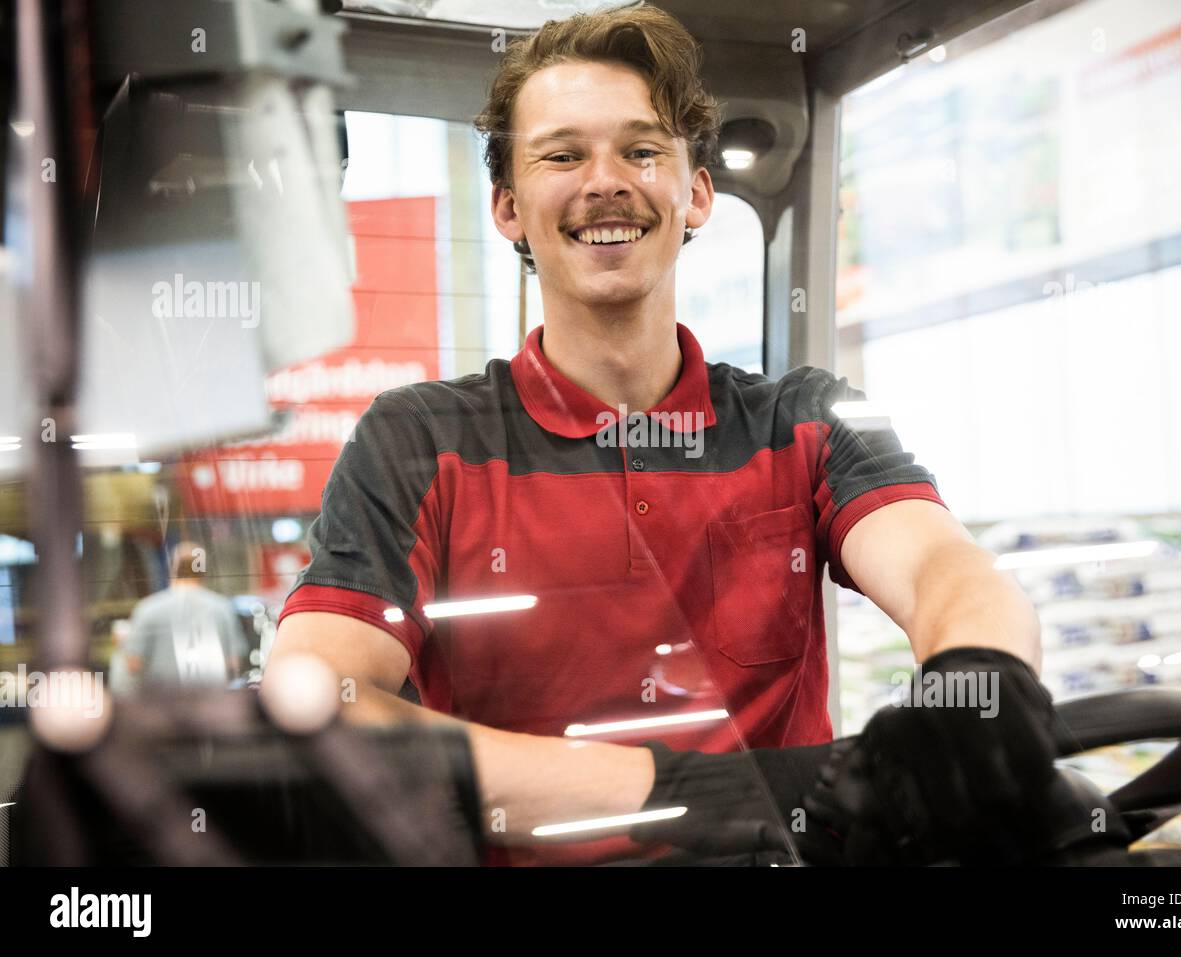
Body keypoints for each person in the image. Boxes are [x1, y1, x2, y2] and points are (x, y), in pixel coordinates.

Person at [271, 5, 1058, 865]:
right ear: (506, 207)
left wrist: (979, 676)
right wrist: (680, 795)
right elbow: (316, 695)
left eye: (642, 151)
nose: (605, 181)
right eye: (562, 155)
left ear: (696, 194)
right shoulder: (417, 441)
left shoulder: (807, 419)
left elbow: (941, 565)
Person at [126, 541, 248, 689]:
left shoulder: (148, 608)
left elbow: (134, 664)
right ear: (204, 572)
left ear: (171, 569)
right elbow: (234, 662)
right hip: (211, 701)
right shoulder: (222, 608)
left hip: (163, 703)